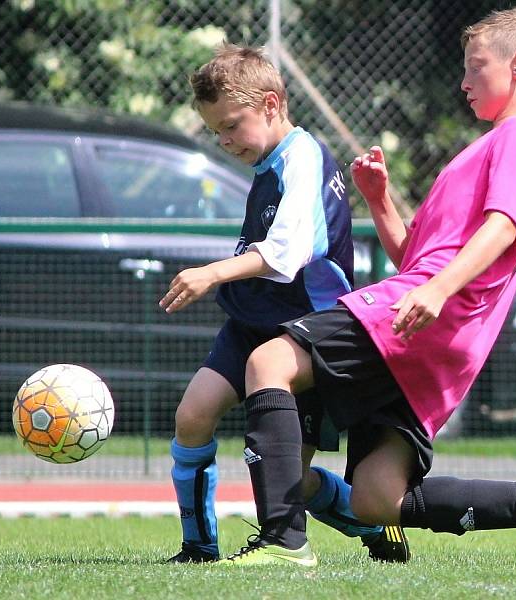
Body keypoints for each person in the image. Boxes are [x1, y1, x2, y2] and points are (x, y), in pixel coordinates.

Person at [220, 7, 516, 567]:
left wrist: (440, 289)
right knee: (378, 497)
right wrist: (378, 200)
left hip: (418, 314)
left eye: (476, 68)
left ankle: (283, 542)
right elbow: (413, 256)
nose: (464, 82)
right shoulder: (486, 148)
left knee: (269, 363)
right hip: (432, 326)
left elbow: (504, 226)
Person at [159, 44, 409, 565]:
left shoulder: (304, 157)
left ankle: (369, 523)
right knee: (192, 416)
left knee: (291, 477)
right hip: (253, 320)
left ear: (272, 105)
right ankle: (198, 547)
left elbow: (288, 254)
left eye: (232, 126)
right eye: (215, 132)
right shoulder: (269, 161)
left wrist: (213, 272)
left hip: (305, 331)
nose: (225, 141)